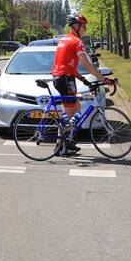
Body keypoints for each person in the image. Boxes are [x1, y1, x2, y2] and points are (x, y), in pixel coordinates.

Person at [51, 13, 116, 156]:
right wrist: (102, 78)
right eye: (84, 27)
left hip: (62, 77)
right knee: (70, 115)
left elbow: (69, 67)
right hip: (66, 79)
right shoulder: (77, 42)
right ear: (76, 26)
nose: (85, 30)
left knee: (76, 109)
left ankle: (67, 142)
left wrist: (84, 80)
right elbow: (86, 63)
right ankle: (60, 146)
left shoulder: (64, 40)